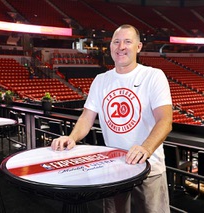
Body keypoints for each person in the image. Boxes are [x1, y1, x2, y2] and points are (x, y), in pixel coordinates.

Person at [51, 24, 172, 213]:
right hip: (114, 168)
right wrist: (72, 137)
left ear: (138, 47)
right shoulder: (101, 80)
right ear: (110, 47)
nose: (121, 46)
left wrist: (145, 148)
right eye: (116, 42)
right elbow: (86, 117)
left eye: (127, 42)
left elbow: (165, 120)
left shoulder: (153, 76)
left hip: (150, 167)